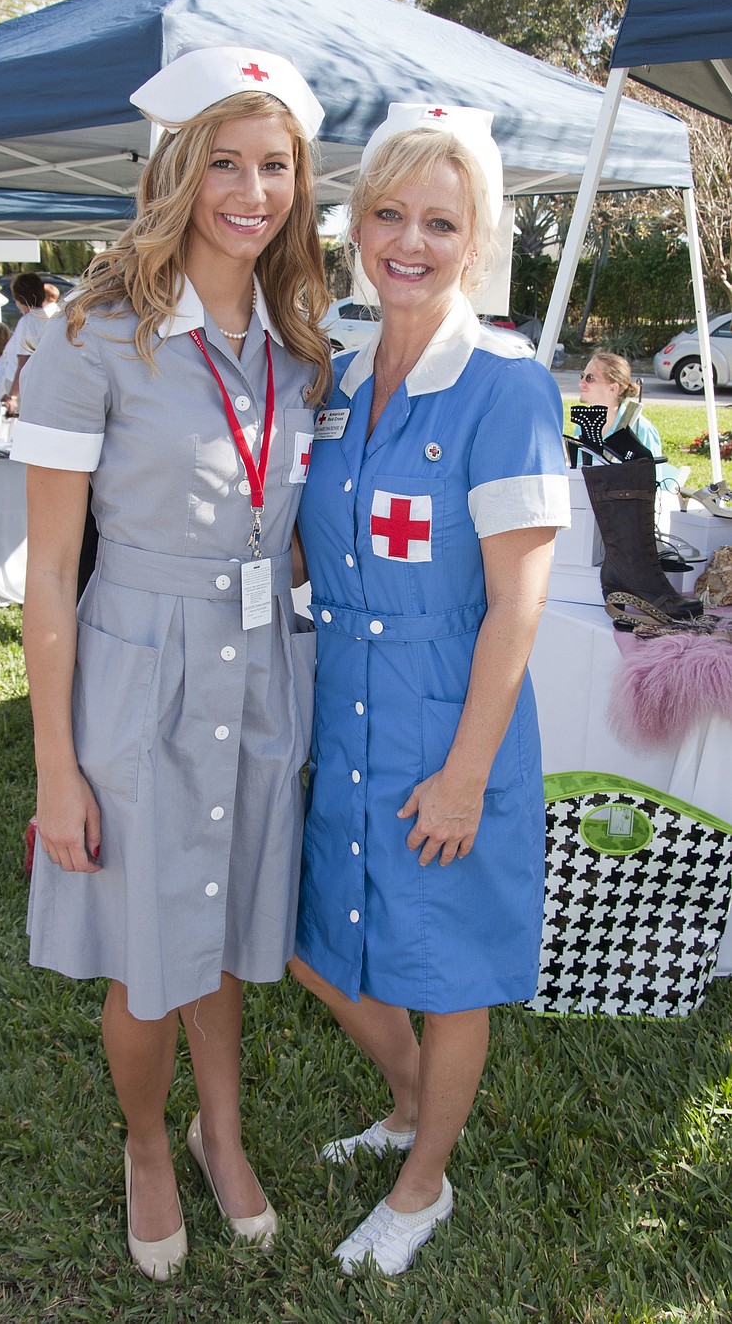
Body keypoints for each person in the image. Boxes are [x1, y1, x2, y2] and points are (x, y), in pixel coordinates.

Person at [11, 46, 329, 1281]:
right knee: (150, 951)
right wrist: (56, 770)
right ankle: (147, 1142)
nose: (251, 192)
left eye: (275, 166)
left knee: (231, 914)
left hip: (260, 664)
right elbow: (45, 571)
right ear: (180, 169)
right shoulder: (91, 335)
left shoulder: (300, 346)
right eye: (226, 164)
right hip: (138, 668)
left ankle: (222, 1130)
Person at [290, 103, 571, 1276]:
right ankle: (413, 1104)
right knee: (319, 943)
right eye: (389, 213)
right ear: (356, 221)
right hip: (345, 700)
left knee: (447, 971)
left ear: (478, 238)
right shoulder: (341, 376)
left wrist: (464, 777)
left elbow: (520, 602)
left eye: (439, 222)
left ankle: (424, 1184)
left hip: (451, 718)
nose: (408, 240)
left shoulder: (506, 387)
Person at [577, 350, 664, 474]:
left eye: (589, 378)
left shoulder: (641, 429)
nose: (581, 383)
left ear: (612, 388)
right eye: (582, 376)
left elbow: (654, 486)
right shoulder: (582, 427)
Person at [1, 273, 50, 411]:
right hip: (37, 389)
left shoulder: (27, 322)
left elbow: (24, 362)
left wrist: (13, 396)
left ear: (18, 297)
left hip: (23, 391)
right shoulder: (45, 318)